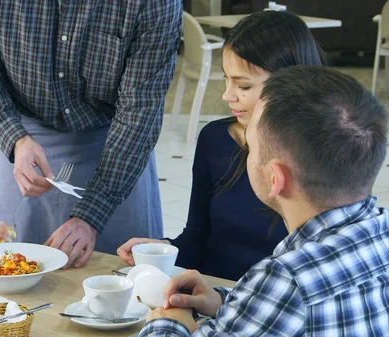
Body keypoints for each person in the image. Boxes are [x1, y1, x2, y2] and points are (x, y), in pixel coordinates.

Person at [139, 66, 389, 336]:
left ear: (275, 178)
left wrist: (169, 322)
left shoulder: (286, 279)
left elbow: (287, 296)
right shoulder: (380, 231)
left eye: (251, 145)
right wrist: (228, 300)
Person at [0, 1, 182, 268]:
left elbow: (139, 110)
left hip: (116, 141)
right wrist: (14, 138)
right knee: (17, 274)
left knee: (123, 280)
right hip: (23, 132)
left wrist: (92, 214)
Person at [118, 11, 326, 281]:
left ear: (290, 83)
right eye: (226, 79)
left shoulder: (325, 154)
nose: (227, 95)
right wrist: (163, 250)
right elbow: (197, 237)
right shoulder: (215, 139)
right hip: (210, 297)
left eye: (242, 85)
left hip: (278, 307)